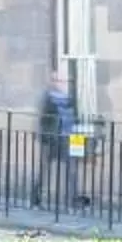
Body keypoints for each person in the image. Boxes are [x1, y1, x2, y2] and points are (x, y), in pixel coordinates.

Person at [32, 68, 76, 209]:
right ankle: (36, 199)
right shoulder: (48, 97)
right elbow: (43, 120)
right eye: (58, 80)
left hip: (70, 138)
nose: (61, 83)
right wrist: (46, 136)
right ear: (52, 82)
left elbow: (75, 118)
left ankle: (72, 201)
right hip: (52, 138)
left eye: (63, 81)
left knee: (72, 170)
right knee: (44, 170)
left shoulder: (70, 98)